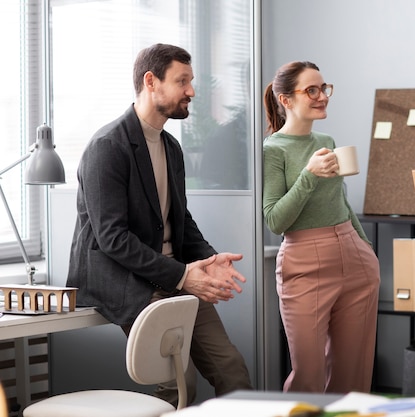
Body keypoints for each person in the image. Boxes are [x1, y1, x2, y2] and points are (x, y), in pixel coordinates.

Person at [66, 43, 253, 404]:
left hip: (176, 276)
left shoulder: (170, 147)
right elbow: (112, 239)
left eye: (191, 81)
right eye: (182, 81)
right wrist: (183, 276)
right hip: (132, 282)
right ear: (151, 82)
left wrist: (210, 260)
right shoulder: (107, 147)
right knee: (179, 384)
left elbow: (180, 218)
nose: (192, 91)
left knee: (233, 371)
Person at [262, 61, 380, 393]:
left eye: (324, 88)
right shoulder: (272, 150)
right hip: (304, 263)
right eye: (311, 90)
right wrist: (309, 175)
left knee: (353, 375)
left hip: (353, 254)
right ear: (286, 100)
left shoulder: (326, 138)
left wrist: (366, 248)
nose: (321, 96)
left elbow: (340, 202)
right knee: (308, 376)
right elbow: (274, 220)